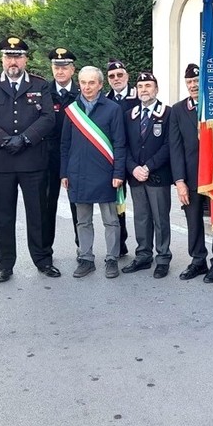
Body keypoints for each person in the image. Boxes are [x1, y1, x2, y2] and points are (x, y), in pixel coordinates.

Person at [0, 37, 58, 282]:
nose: (13, 61)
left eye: (18, 56)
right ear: (2, 59)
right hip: (1, 162)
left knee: (38, 214)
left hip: (32, 160)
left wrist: (24, 139)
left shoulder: (40, 85)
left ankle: (43, 260)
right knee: (2, 216)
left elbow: (48, 118)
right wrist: (4, 140)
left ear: (26, 60)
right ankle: (4, 264)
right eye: (9, 56)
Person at [60, 65, 127, 279]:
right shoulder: (72, 110)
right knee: (83, 221)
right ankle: (86, 258)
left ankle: (111, 259)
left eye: (91, 83)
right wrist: (64, 173)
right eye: (83, 82)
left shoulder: (113, 109)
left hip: (106, 173)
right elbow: (65, 144)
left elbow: (120, 144)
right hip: (78, 173)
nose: (87, 87)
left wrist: (118, 173)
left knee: (111, 221)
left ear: (100, 85)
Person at [122, 71, 173, 278]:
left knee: (161, 219)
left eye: (148, 86)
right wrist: (133, 168)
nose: (144, 90)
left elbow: (169, 145)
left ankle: (163, 258)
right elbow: (123, 145)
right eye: (141, 87)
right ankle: (143, 255)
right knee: (141, 218)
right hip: (136, 176)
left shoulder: (168, 113)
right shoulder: (129, 115)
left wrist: (148, 167)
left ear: (156, 89)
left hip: (158, 175)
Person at [170, 64, 210, 281]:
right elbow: (175, 147)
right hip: (191, 176)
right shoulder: (177, 109)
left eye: (196, 81)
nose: (193, 85)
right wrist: (179, 181)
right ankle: (198, 261)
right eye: (189, 82)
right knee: (193, 221)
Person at [44, 47, 81, 257]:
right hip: (48, 157)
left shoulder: (81, 93)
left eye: (64, 67)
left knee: (78, 204)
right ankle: (45, 251)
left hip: (74, 157)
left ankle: (82, 248)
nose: (60, 71)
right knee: (47, 205)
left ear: (72, 69)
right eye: (56, 67)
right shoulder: (43, 92)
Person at [105, 59, 139, 256]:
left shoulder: (138, 96)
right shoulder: (105, 99)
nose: (116, 79)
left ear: (127, 76)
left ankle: (145, 249)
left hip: (136, 160)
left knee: (143, 208)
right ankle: (120, 244)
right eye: (112, 76)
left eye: (120, 75)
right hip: (115, 160)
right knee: (117, 204)